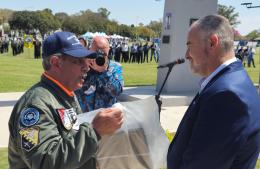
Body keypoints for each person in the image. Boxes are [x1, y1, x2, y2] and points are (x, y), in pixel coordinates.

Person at [8, 31, 123, 169]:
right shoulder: (35, 105)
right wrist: (94, 131)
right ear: (56, 63)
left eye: (86, 60)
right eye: (79, 61)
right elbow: (46, 163)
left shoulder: (65, 95)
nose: (86, 67)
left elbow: (71, 145)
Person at [167, 15, 260, 169]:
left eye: (190, 46)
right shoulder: (232, 81)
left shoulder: (226, 95)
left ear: (212, 42)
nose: (186, 55)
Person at [76, 36, 124, 112]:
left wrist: (104, 73)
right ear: (90, 50)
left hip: (106, 116)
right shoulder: (83, 64)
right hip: (85, 116)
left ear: (109, 50)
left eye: (103, 53)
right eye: (96, 52)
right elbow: (76, 89)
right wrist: (86, 67)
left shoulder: (115, 67)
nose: (99, 56)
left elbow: (117, 92)